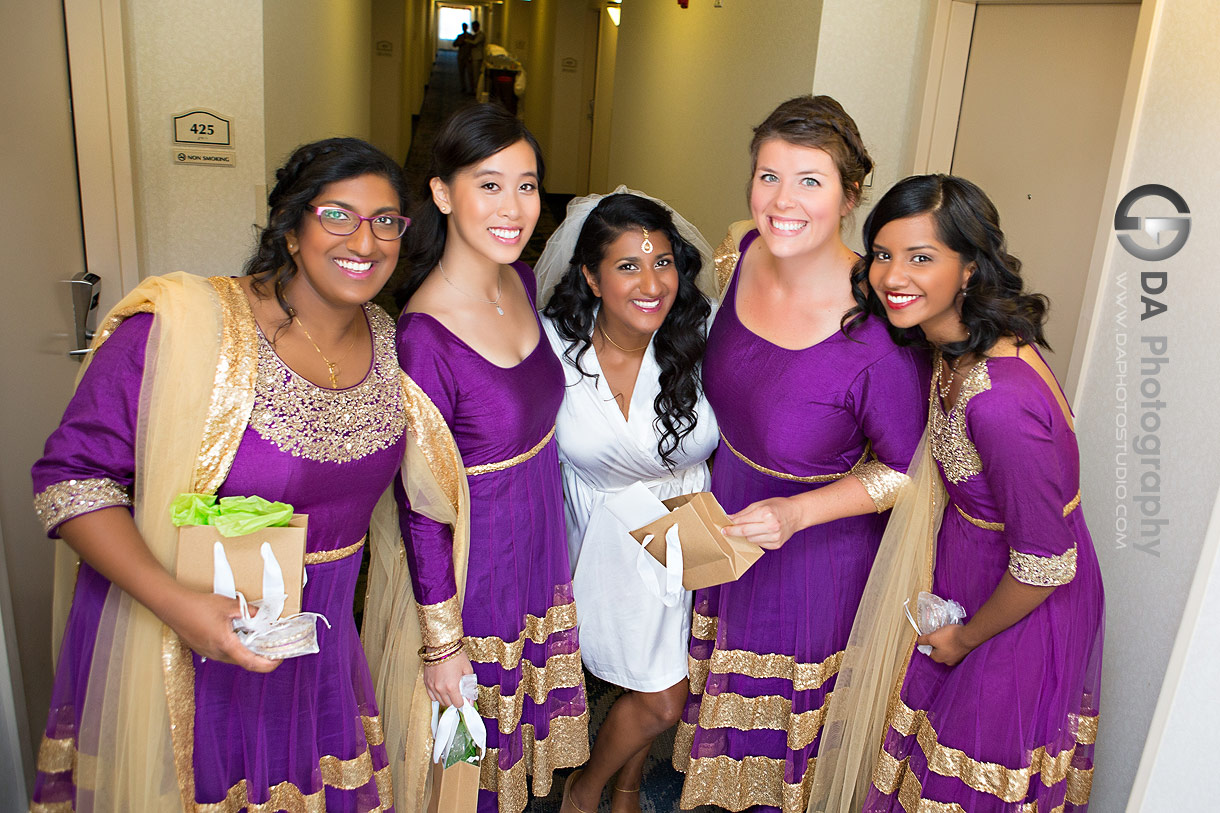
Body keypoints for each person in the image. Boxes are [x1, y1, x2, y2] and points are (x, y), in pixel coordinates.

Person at [29, 137, 412, 811]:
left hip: (314, 641)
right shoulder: (188, 328)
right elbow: (73, 482)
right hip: (187, 636)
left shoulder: (387, 337)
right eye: (338, 215)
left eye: (386, 220)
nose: (367, 239)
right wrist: (181, 607)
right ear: (293, 230)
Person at [673, 96, 929, 813]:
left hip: (814, 556)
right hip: (726, 521)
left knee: (779, 750)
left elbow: (906, 474)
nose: (782, 201)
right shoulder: (738, 253)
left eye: (810, 181)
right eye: (768, 176)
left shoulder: (878, 330)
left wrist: (796, 511)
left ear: (852, 196)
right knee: (717, 716)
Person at [830, 174, 1103, 812]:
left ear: (971, 270)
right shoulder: (952, 348)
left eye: (922, 257)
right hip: (971, 571)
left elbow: (1045, 564)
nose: (893, 275)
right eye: (883, 254)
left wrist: (966, 638)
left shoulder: (1002, 403)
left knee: (968, 775)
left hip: (1021, 606)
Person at [379, 102, 589, 813]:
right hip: (478, 571)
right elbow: (420, 506)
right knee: (465, 764)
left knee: (514, 745)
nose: (514, 206)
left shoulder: (521, 280)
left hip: (537, 546)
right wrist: (443, 644)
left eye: (527, 185)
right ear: (441, 193)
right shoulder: (424, 338)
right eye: (489, 184)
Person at [536, 190, 719, 813]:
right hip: (605, 526)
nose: (651, 283)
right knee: (659, 690)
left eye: (663, 262)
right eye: (628, 265)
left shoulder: (703, 334)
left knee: (661, 670)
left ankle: (624, 786)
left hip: (689, 515)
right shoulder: (551, 347)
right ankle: (588, 788)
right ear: (590, 275)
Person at [467, 20, 487, 97]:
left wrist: (466, 40)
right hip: (473, 56)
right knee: (472, 74)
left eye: (474, 27)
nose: (473, 29)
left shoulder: (481, 35)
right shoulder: (475, 34)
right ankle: (473, 90)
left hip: (478, 57)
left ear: (477, 27)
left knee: (476, 75)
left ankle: (476, 91)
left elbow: (475, 42)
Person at [454, 23, 473, 94]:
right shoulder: (460, 36)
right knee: (461, 73)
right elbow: (454, 44)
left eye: (465, 27)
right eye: (463, 27)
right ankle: (463, 87)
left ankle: (472, 88)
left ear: (467, 28)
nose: (464, 28)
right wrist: (460, 43)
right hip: (461, 57)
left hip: (468, 57)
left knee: (470, 73)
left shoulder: (471, 37)